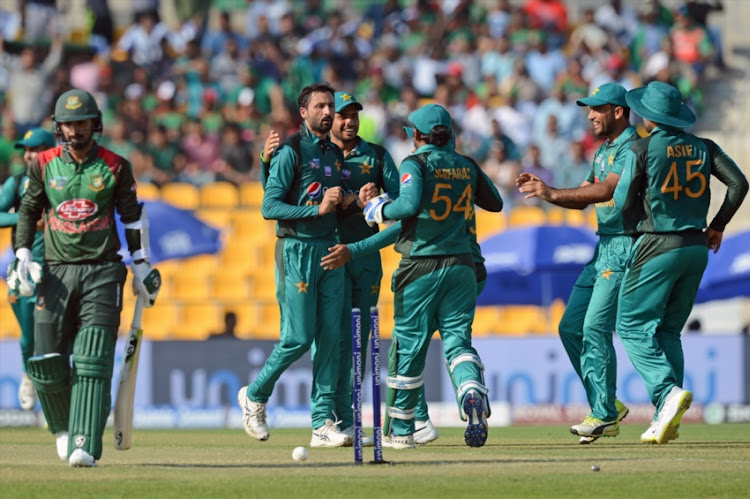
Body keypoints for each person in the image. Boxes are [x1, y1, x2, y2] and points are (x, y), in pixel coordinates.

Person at [8, 88, 161, 467]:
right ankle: (61, 427)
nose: (75, 130)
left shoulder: (115, 165)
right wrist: (23, 252)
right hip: (55, 273)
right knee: (45, 358)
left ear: (96, 124)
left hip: (102, 270)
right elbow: (28, 210)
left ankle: (84, 443)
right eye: (68, 124)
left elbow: (130, 214)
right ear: (58, 127)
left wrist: (140, 263)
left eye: (82, 122)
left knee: (92, 358)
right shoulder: (42, 164)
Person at [359, 104, 503, 448]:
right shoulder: (466, 164)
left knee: (409, 346)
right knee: (457, 341)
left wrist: (380, 208)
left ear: (416, 136)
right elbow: (495, 203)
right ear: (450, 135)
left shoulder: (415, 163)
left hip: (421, 266)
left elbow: (407, 207)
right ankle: (470, 390)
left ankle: (405, 430)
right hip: (462, 266)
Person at [613, 81, 747, 444]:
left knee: (630, 326)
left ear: (650, 118)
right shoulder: (704, 147)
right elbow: (739, 184)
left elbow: (623, 200)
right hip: (697, 246)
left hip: (658, 244)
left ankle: (665, 393)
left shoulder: (641, 148)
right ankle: (664, 417)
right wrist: (717, 225)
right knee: (668, 330)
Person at [516, 82, 640, 444]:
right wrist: (546, 189)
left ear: (618, 111)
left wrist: (551, 192)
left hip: (625, 246)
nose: (589, 115)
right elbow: (585, 196)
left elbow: (606, 191)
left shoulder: (632, 148)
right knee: (570, 327)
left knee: (595, 327)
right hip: (603, 247)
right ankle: (609, 406)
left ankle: (602, 412)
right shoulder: (604, 151)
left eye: (596, 109)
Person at [237, 83, 351, 448]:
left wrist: (350, 199)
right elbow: (270, 207)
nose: (328, 112)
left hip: (330, 250)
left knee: (331, 340)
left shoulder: (334, 153)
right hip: (297, 251)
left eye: (330, 105)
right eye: (320, 106)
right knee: (299, 338)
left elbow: (326, 196)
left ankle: (322, 425)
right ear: (304, 113)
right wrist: (315, 210)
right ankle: (254, 395)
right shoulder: (289, 151)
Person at [303, 91, 399, 444]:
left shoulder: (376, 155)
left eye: (353, 114)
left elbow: (401, 203)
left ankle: (346, 416)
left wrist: (379, 200)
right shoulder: (318, 155)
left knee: (358, 339)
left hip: (364, 258)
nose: (348, 121)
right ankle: (324, 415)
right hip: (328, 254)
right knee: (330, 336)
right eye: (342, 115)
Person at [1, 127, 56, 410]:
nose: (29, 155)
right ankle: (28, 375)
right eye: (26, 150)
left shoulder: (63, 180)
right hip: (25, 269)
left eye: (35, 149)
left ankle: (55, 394)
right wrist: (24, 219)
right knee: (28, 336)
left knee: (59, 333)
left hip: (60, 268)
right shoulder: (17, 182)